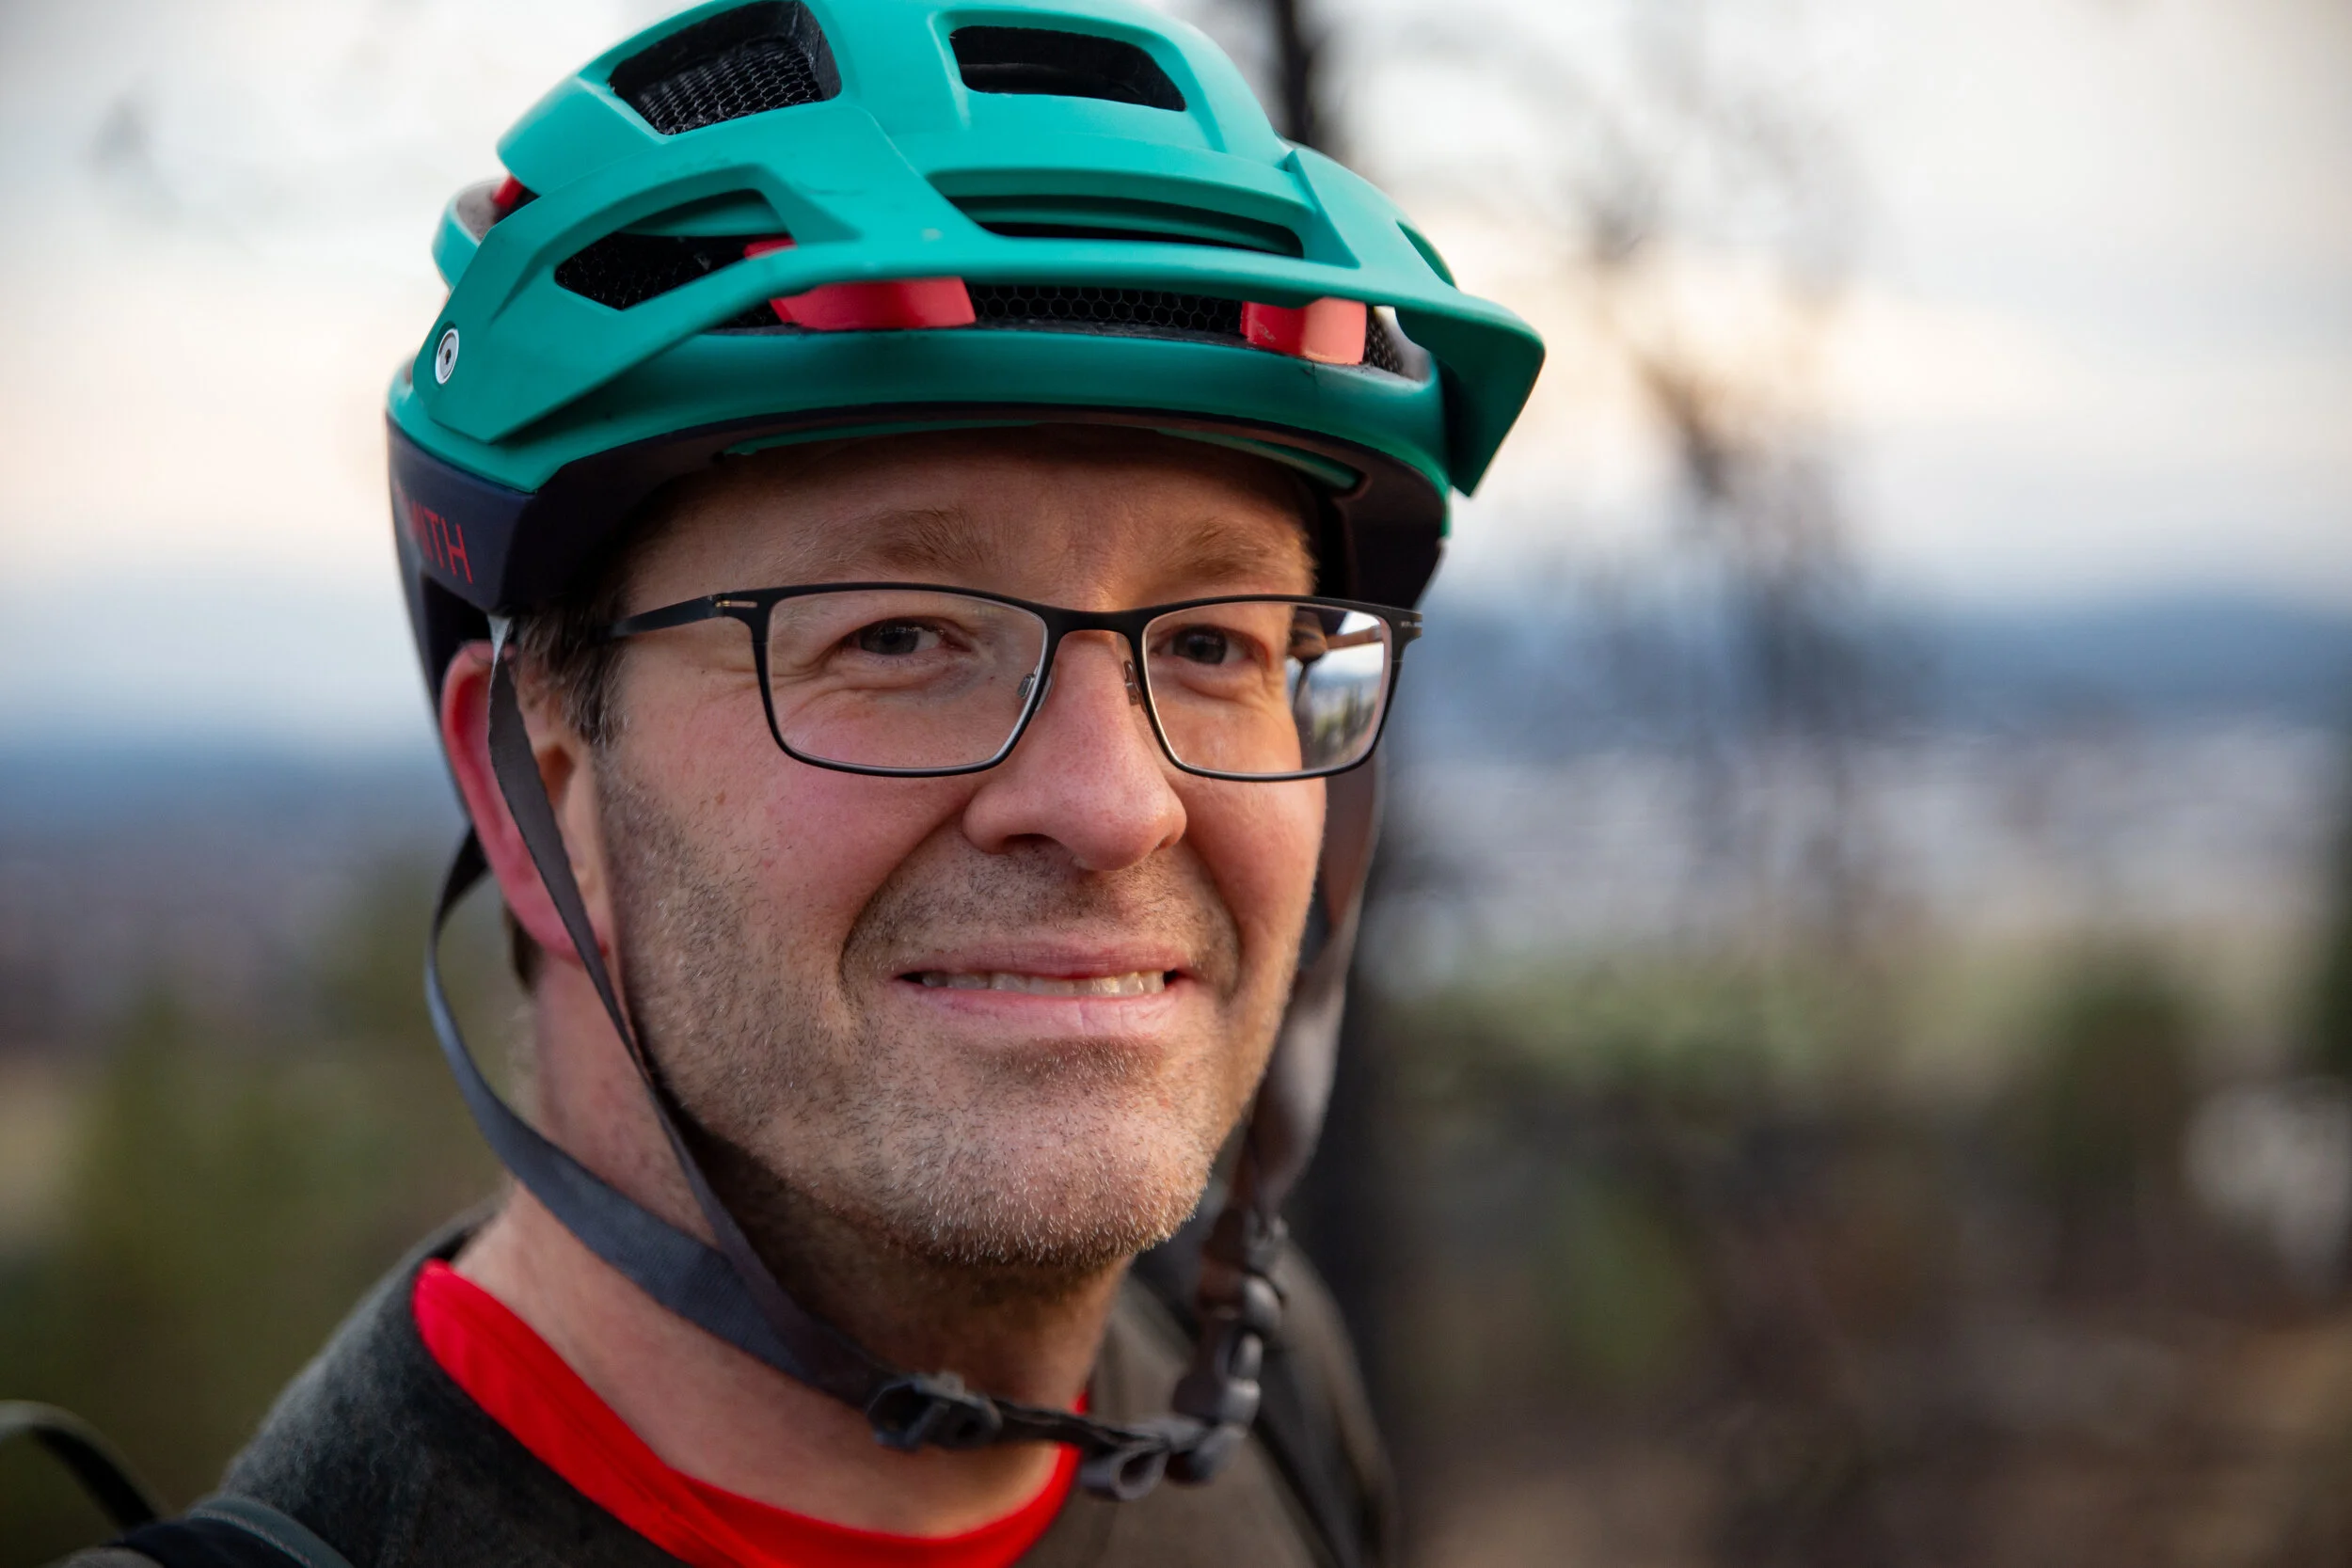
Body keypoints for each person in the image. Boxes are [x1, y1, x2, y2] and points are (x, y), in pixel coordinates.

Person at [73, 2, 1540, 1564]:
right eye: (899, 635)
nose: (1115, 804)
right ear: (531, 788)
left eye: (1214, 643)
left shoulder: (1256, 1386)